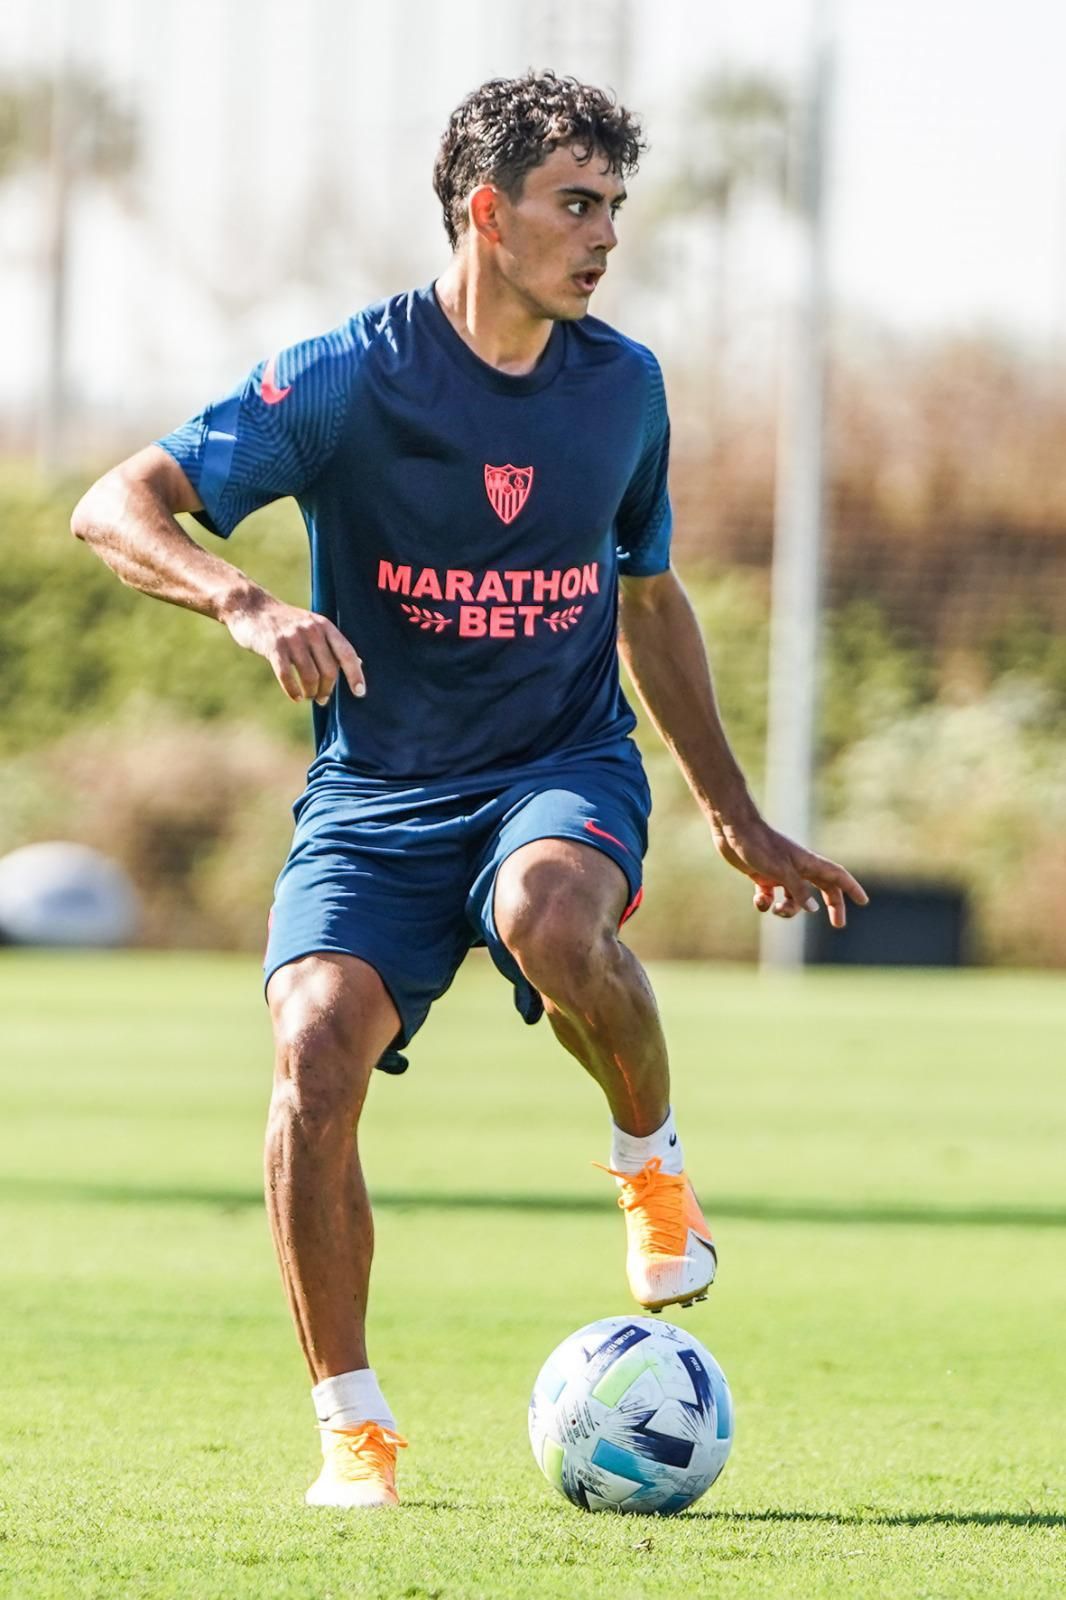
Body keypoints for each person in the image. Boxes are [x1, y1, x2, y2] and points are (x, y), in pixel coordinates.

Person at [71, 70, 867, 1511]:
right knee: (311, 1052)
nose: (605, 234)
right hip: (376, 795)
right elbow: (114, 507)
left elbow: (648, 600)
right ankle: (353, 1431)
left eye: (615, 205)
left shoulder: (621, 387)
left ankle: (648, 1163)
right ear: (485, 214)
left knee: (552, 917)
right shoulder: (344, 379)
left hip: (558, 766)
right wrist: (245, 603)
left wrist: (732, 811)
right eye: (578, 203)